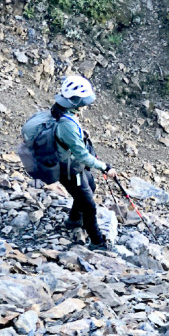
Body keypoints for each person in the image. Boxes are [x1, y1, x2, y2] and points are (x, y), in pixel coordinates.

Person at [52, 76, 116, 250]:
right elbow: (83, 156)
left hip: (72, 165)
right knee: (89, 206)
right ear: (75, 101)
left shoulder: (63, 112)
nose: (86, 105)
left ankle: (74, 219)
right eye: (83, 101)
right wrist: (105, 167)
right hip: (70, 170)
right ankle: (97, 243)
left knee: (91, 186)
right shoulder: (67, 125)